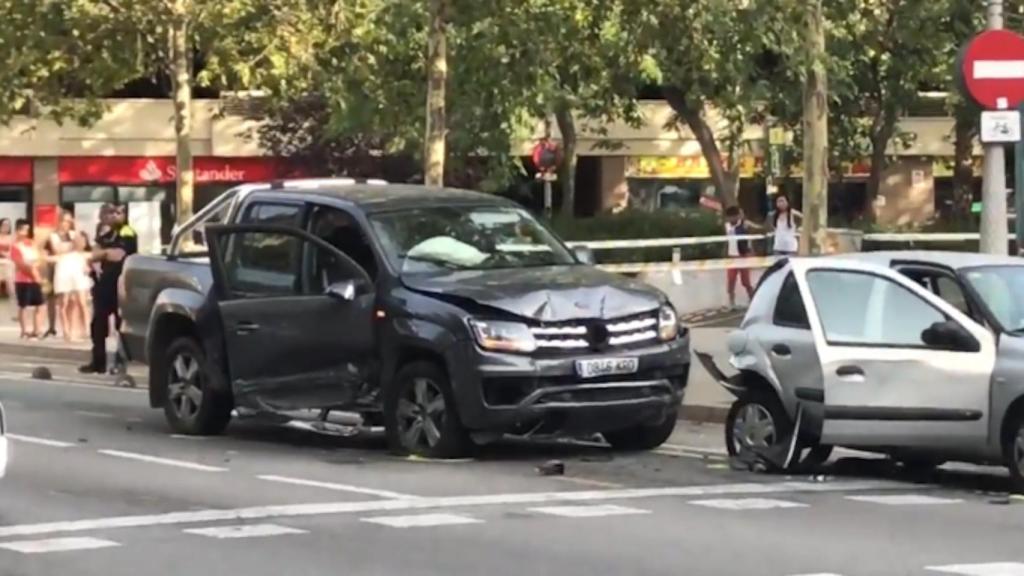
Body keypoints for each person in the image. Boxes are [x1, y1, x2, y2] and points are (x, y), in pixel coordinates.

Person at [80, 204, 137, 374]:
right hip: (102, 285)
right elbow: (93, 255)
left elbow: (118, 254)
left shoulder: (127, 231)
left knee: (121, 326)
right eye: (111, 212)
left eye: (118, 212)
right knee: (98, 326)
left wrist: (102, 253)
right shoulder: (106, 234)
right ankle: (98, 363)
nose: (114, 216)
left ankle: (120, 364)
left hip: (120, 285)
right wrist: (104, 253)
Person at [49, 211, 83, 340]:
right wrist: (71, 246)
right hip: (62, 268)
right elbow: (58, 250)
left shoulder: (74, 234)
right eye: (64, 221)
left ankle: (74, 329)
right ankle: (66, 331)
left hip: (74, 267)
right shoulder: (54, 236)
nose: (66, 224)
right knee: (64, 301)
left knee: (74, 301)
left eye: (69, 221)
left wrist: (77, 230)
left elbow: (80, 246)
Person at [10, 219, 44, 339]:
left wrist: (36, 268)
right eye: (23, 230)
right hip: (22, 280)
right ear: (17, 230)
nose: (25, 232)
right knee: (23, 305)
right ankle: (24, 331)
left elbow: (39, 258)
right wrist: (33, 272)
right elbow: (20, 263)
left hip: (35, 279)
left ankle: (37, 330)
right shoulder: (15, 246)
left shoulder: (31, 243)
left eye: (27, 230)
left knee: (40, 305)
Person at [724, 206, 757, 309]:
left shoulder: (745, 224)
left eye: (735, 216)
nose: (732, 219)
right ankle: (731, 302)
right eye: (730, 217)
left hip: (743, 255)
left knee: (746, 281)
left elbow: (754, 231)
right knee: (731, 280)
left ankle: (753, 299)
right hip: (732, 256)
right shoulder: (727, 226)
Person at [0, 218, 13, 319]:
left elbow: (13, 251)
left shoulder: (11, 238)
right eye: (4, 224)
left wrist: (8, 254)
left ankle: (14, 313)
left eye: (8, 225)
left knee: (11, 289)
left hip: (8, 263)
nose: (6, 227)